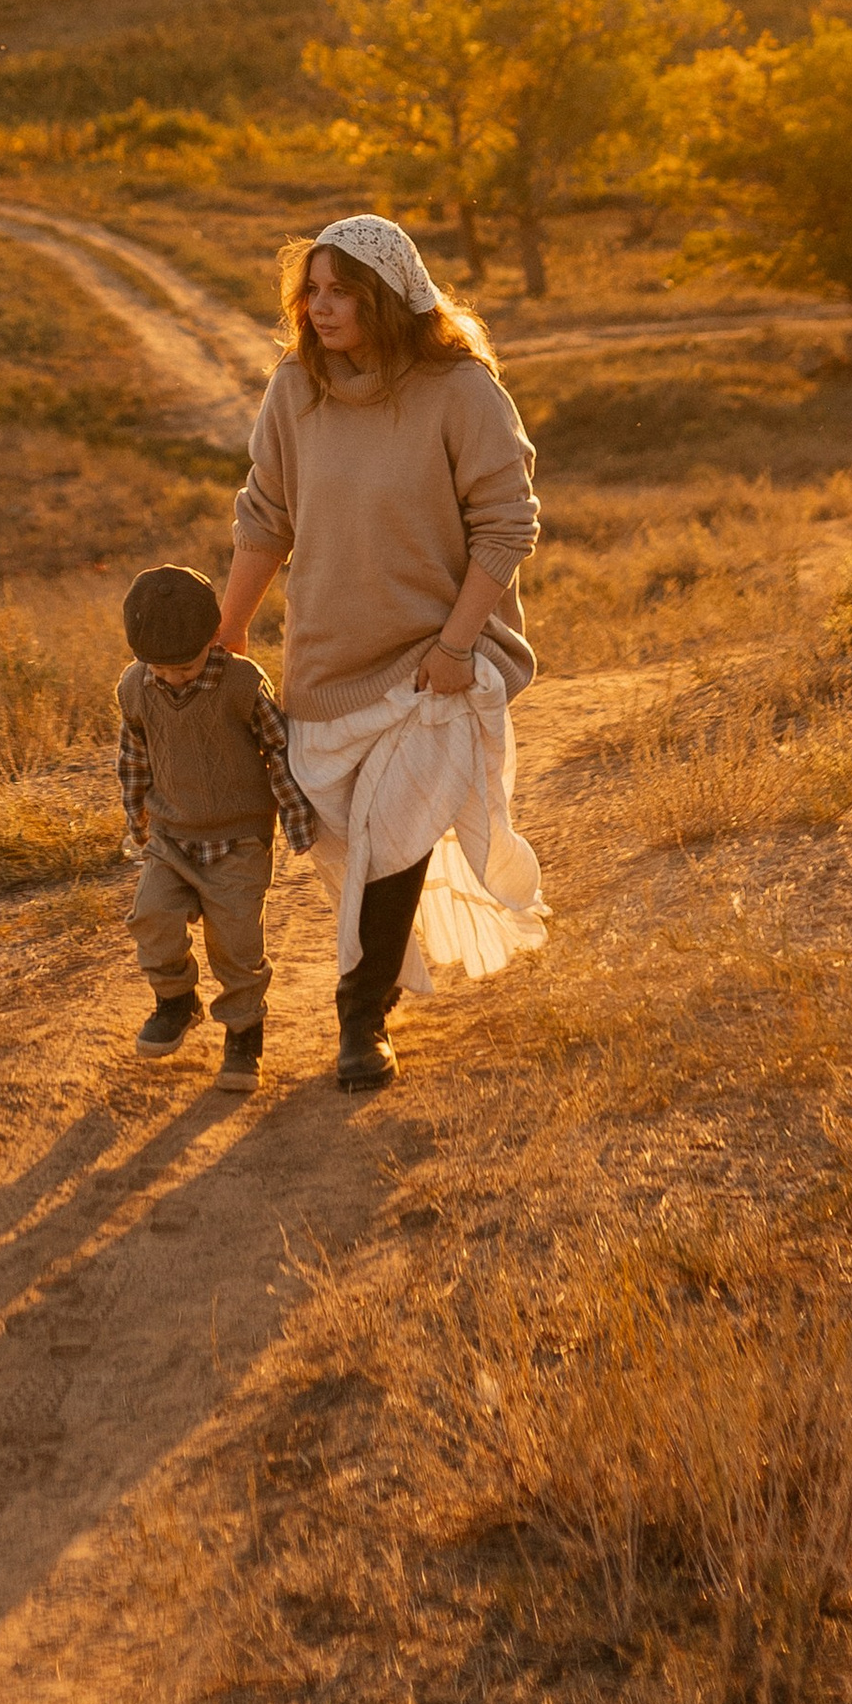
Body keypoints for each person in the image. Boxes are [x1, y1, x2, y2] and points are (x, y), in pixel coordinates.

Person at [214, 214, 547, 1093]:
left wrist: (455, 643)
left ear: (389, 298)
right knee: (335, 836)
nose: (320, 309)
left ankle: (361, 1022)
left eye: (340, 293)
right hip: (326, 664)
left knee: (393, 836)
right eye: (310, 292)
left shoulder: (461, 391)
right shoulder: (298, 389)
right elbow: (266, 516)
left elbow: (508, 525)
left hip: (433, 663)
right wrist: (228, 630)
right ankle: (376, 989)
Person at [114, 562, 316, 1093]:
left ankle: (244, 1034)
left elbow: (279, 748)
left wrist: (295, 815)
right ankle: (176, 999)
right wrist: (136, 814)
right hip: (172, 836)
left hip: (238, 841)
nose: (175, 675)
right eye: (162, 668)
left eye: (187, 664)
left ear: (213, 638)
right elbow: (134, 753)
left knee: (237, 946)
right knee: (151, 917)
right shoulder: (136, 688)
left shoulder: (242, 683)